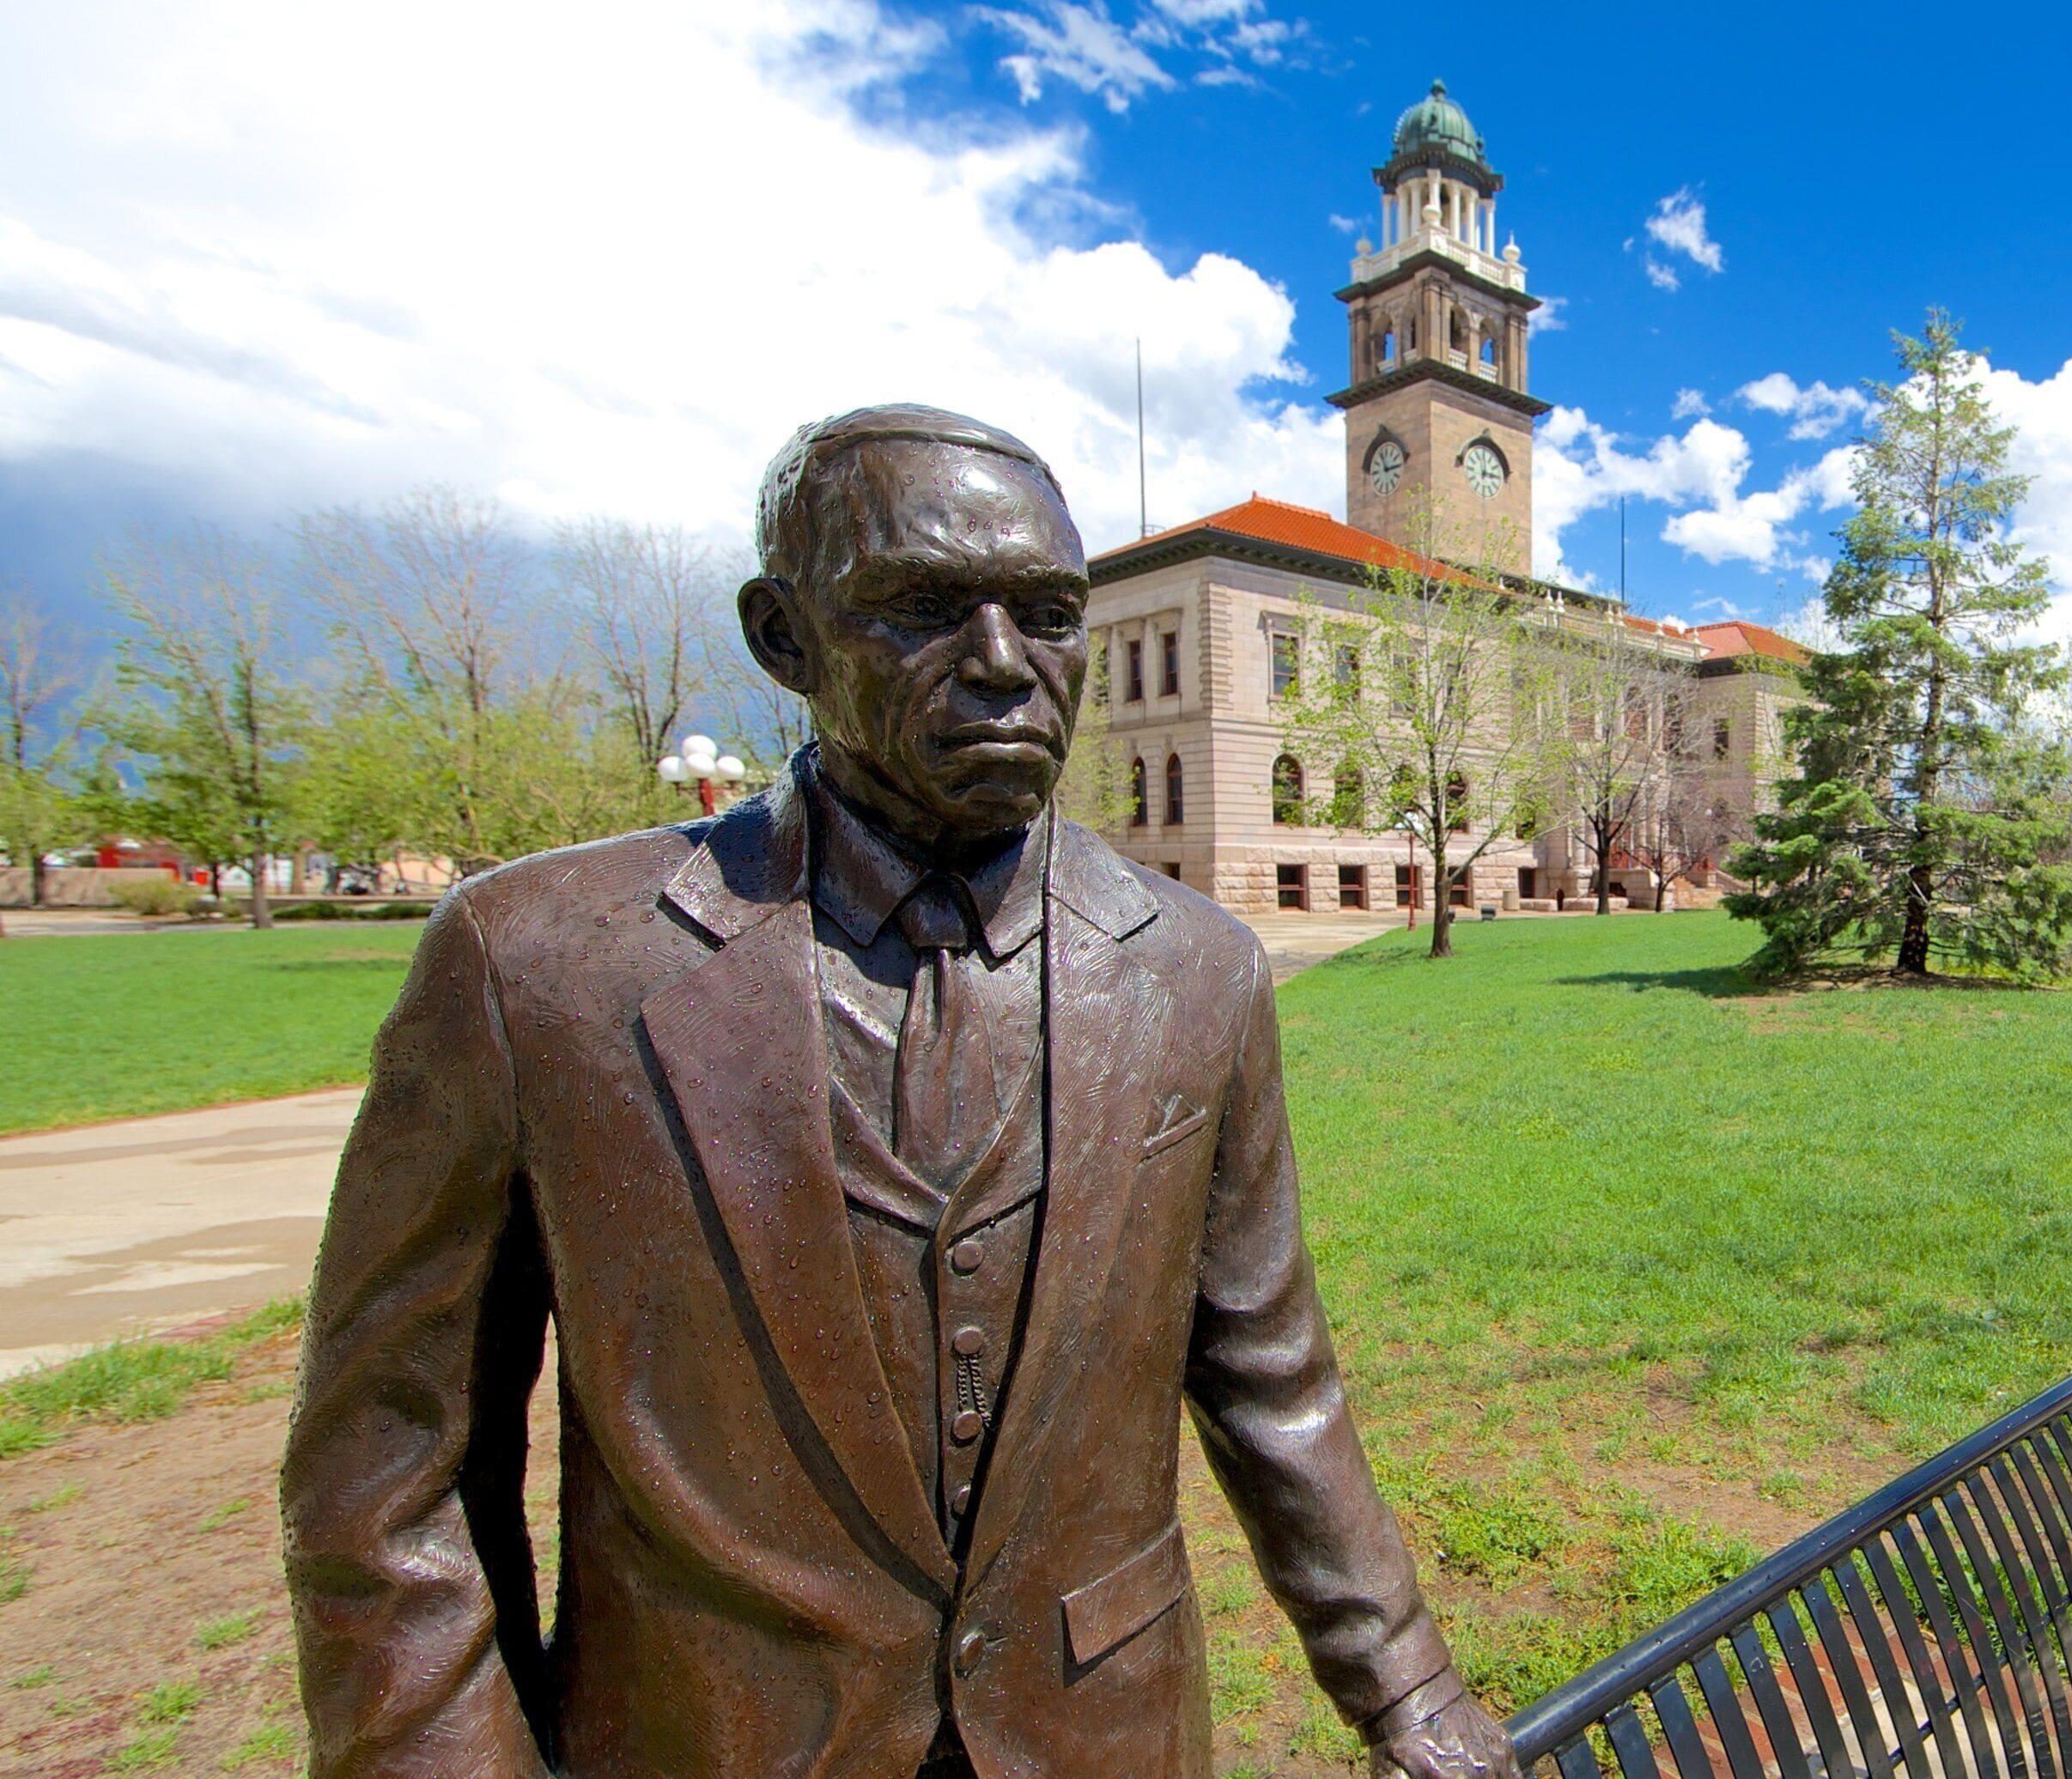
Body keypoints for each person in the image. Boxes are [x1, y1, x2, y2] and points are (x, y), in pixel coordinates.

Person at [282, 406, 1515, 1779]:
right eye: (923, 609)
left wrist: (1410, 1695)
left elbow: (1270, 1376)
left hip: (1104, 1734)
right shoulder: (536, 968)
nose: (1004, 667)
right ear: (783, 636)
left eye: (1049, 613)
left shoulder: (1197, 973)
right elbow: (390, 1477)